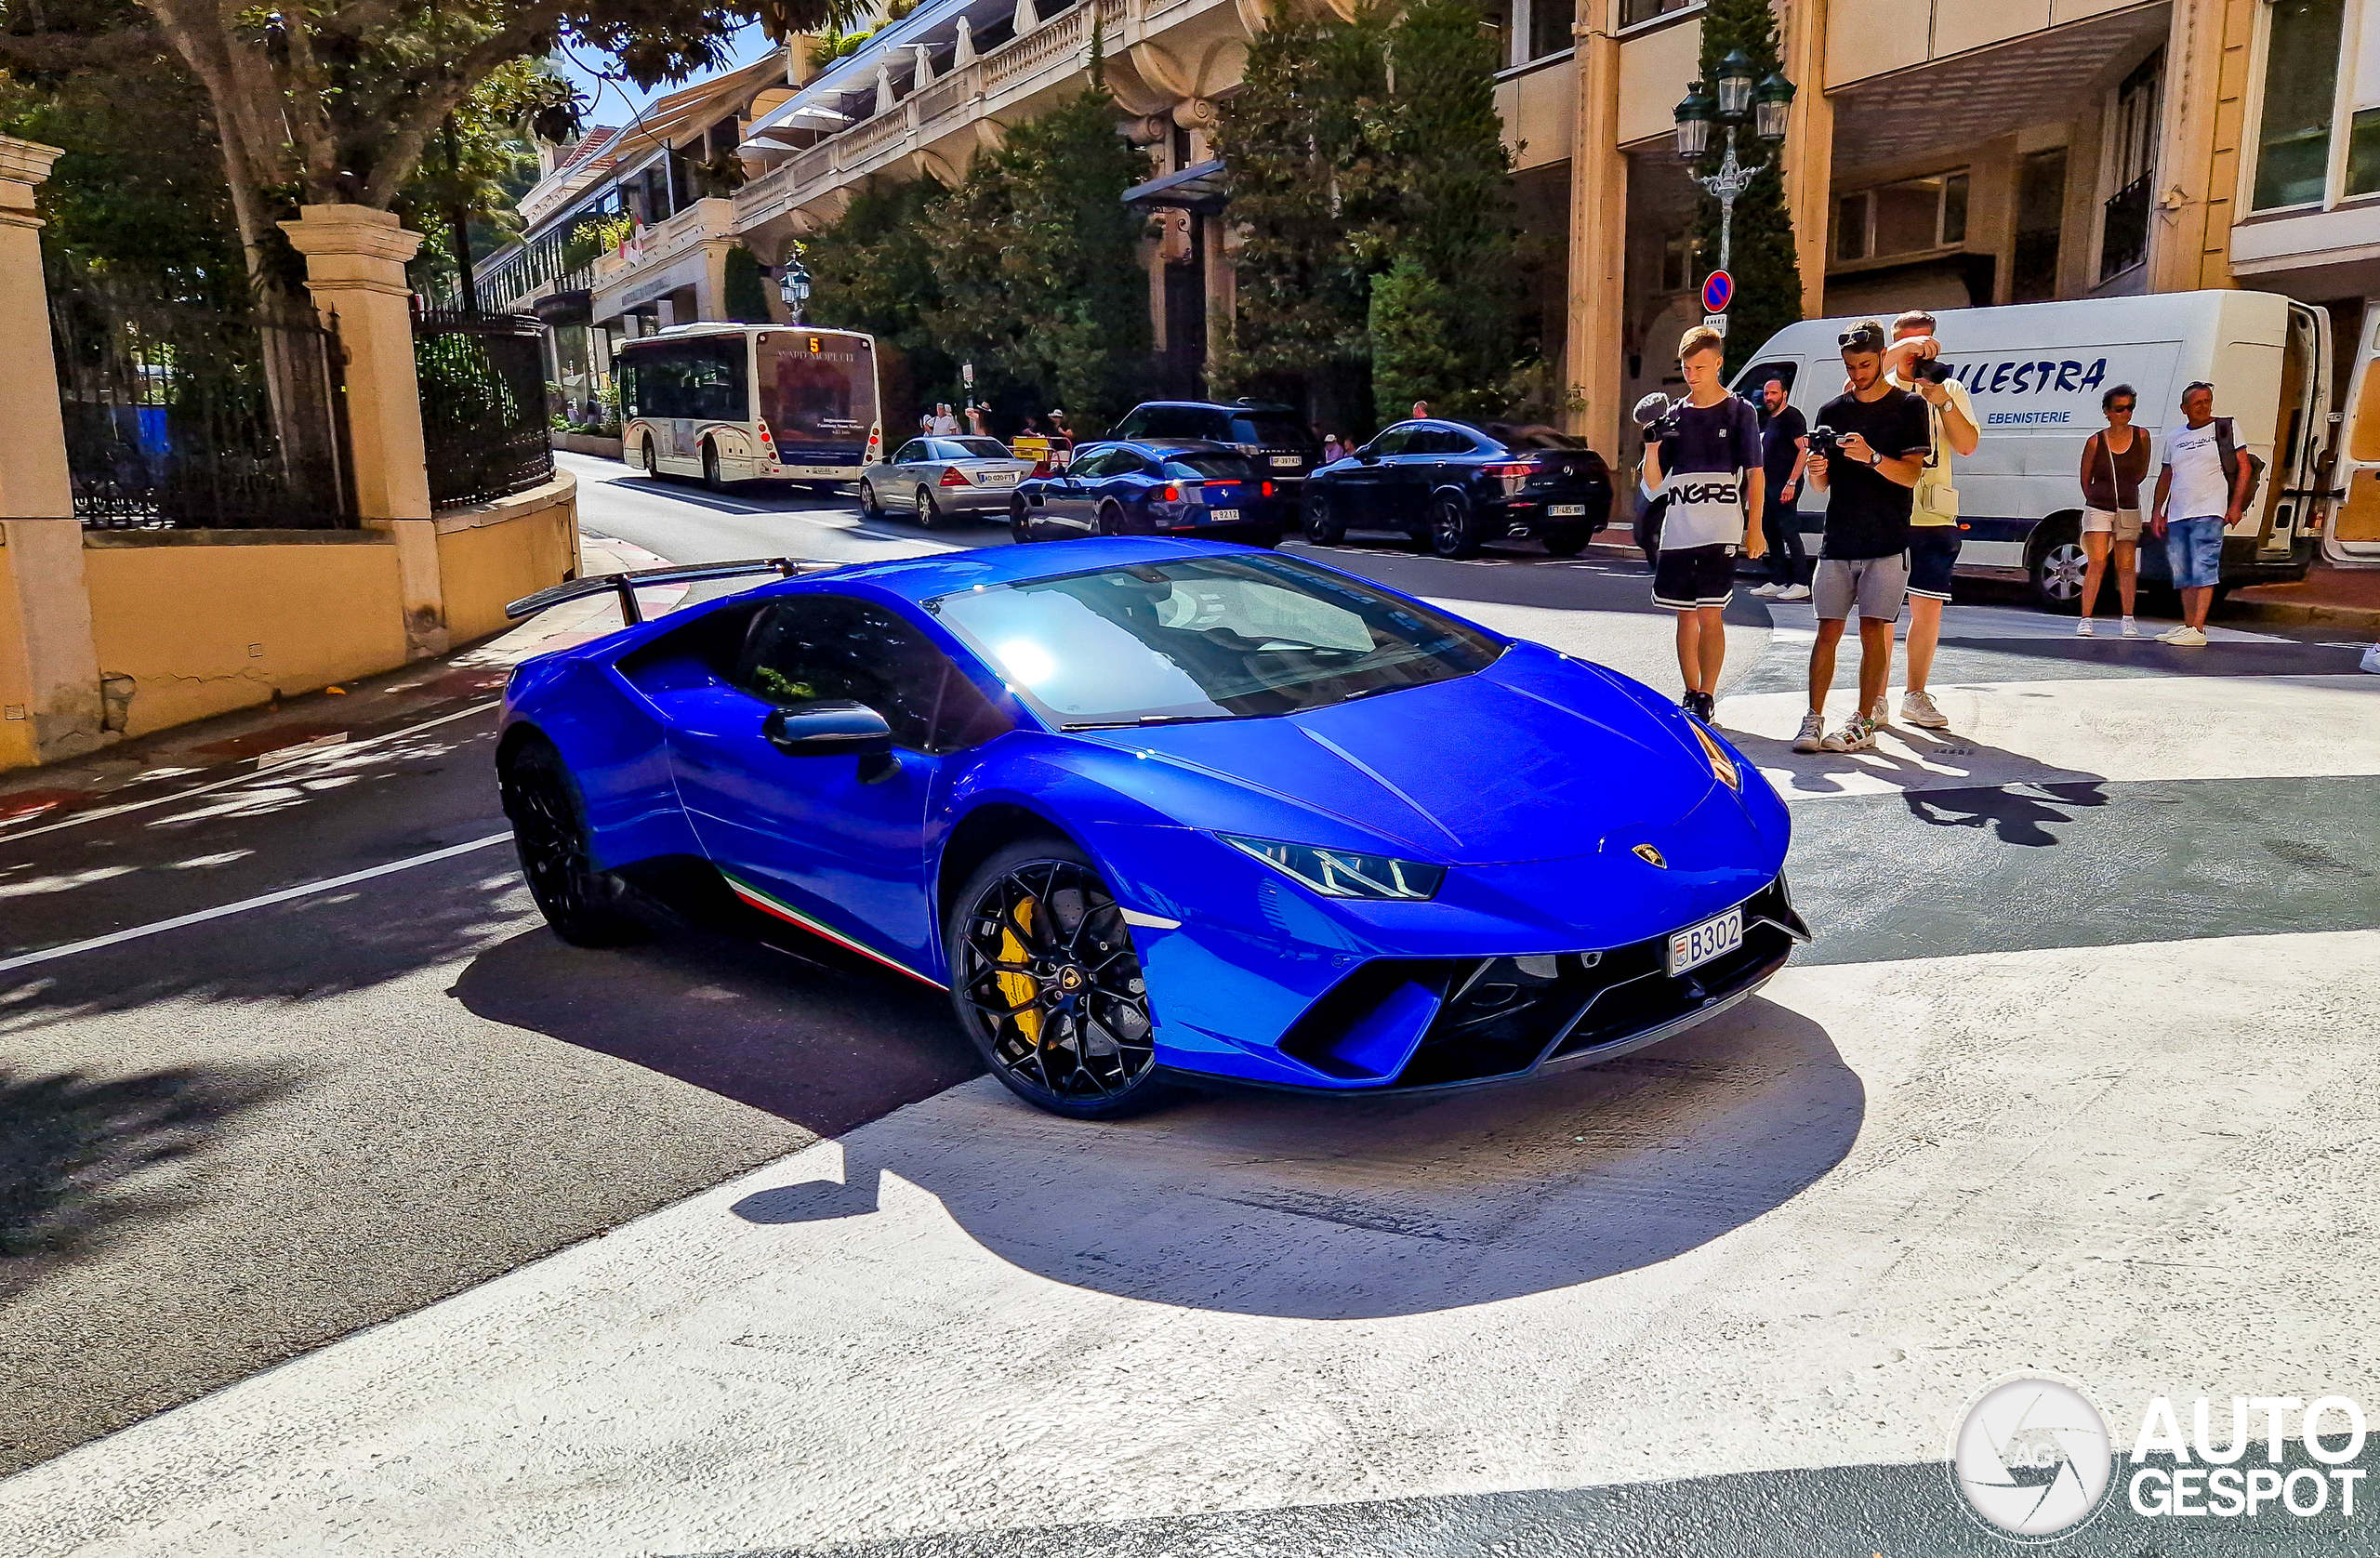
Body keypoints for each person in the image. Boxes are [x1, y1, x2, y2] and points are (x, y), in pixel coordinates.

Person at [1793, 319, 1933, 755]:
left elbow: (1911, 476)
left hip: (1887, 540)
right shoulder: (1831, 412)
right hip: (1839, 537)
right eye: (1851, 365)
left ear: (1880, 357)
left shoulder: (1910, 407)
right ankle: (1813, 719)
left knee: (1874, 631)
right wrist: (1817, 472)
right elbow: (1821, 486)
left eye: (1866, 364)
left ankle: (1865, 721)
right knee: (1827, 631)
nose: (1858, 373)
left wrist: (1872, 457)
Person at [1642, 324, 1765, 722]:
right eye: (1686, 367)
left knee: (1711, 613)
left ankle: (1707, 694)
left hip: (1721, 529)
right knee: (1684, 614)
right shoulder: (1674, 415)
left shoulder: (1740, 411)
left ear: (1718, 364)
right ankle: (1690, 690)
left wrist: (1755, 526)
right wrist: (1652, 444)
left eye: (1699, 367)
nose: (1691, 375)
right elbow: (1653, 483)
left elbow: (1756, 473)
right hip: (1679, 528)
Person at [1881, 310, 1979, 729]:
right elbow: (1850, 385)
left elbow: (1968, 444)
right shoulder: (1879, 387)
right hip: (1887, 512)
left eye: (1927, 344)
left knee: (1927, 611)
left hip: (1935, 513)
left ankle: (1915, 694)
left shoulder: (1949, 388)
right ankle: (1875, 697)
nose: (1921, 354)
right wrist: (1894, 360)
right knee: (1881, 612)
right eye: (1911, 345)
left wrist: (1942, 400)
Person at [2149, 381, 2254, 647]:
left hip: (2209, 509)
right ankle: (2188, 626)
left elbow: (2244, 467)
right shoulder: (2175, 437)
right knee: (2184, 571)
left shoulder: (2224, 428)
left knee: (2204, 566)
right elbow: (2167, 474)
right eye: (2197, 402)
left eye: (2207, 401)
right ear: (2184, 408)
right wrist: (2157, 511)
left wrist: (2236, 505)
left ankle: (2198, 626)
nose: (2204, 406)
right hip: (2178, 512)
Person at [2076, 383, 2149, 638]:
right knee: (2097, 562)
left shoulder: (2142, 436)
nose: (2125, 413)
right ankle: (2086, 619)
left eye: (2130, 408)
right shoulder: (2096, 441)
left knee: (2127, 565)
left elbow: (2141, 472)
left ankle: (2128, 618)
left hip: (2128, 505)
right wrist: (2098, 497)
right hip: (2099, 505)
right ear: (2107, 411)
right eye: (2119, 409)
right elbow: (2086, 478)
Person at [1750, 375, 1809, 601]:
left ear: (1784, 394)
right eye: (1766, 393)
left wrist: (1792, 482)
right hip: (1768, 485)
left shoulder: (1792, 417)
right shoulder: (1767, 419)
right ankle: (1777, 580)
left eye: (1774, 393)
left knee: (1789, 532)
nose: (1769, 397)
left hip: (1786, 484)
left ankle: (1801, 582)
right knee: (1770, 532)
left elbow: (1804, 450)